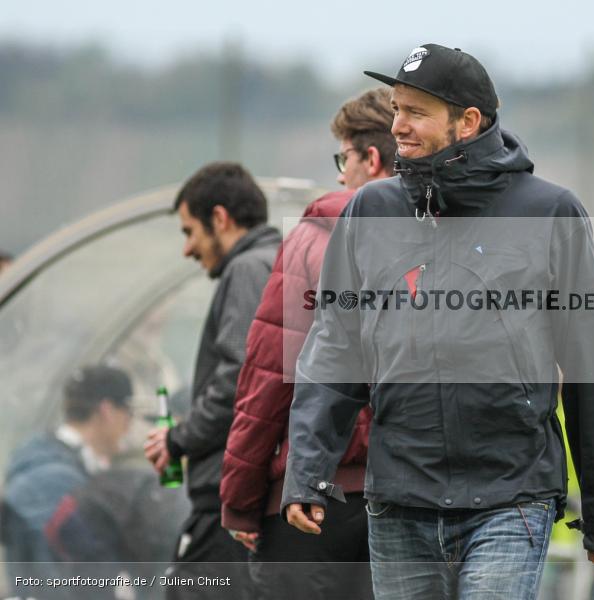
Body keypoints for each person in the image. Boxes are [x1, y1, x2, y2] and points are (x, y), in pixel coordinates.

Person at [282, 44, 594, 600]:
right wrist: (308, 469)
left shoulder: (550, 213)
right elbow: (334, 347)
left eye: (416, 111)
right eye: (396, 108)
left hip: (511, 496)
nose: (397, 125)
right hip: (399, 497)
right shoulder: (369, 211)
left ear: (468, 121)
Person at [219, 89, 395, 600]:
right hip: (416, 499)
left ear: (372, 158)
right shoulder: (447, 236)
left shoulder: (318, 236)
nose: (341, 174)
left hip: (310, 501)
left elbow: (270, 376)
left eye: (345, 158)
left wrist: (241, 498)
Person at [143, 162, 281, 600]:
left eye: (189, 232)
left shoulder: (247, 270)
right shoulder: (279, 262)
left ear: (220, 219)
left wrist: (178, 439)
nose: (187, 249)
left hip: (227, 502)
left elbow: (240, 374)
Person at [1, 365, 133, 593]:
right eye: (128, 413)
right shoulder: (56, 482)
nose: (130, 424)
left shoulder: (44, 460)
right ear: (107, 411)